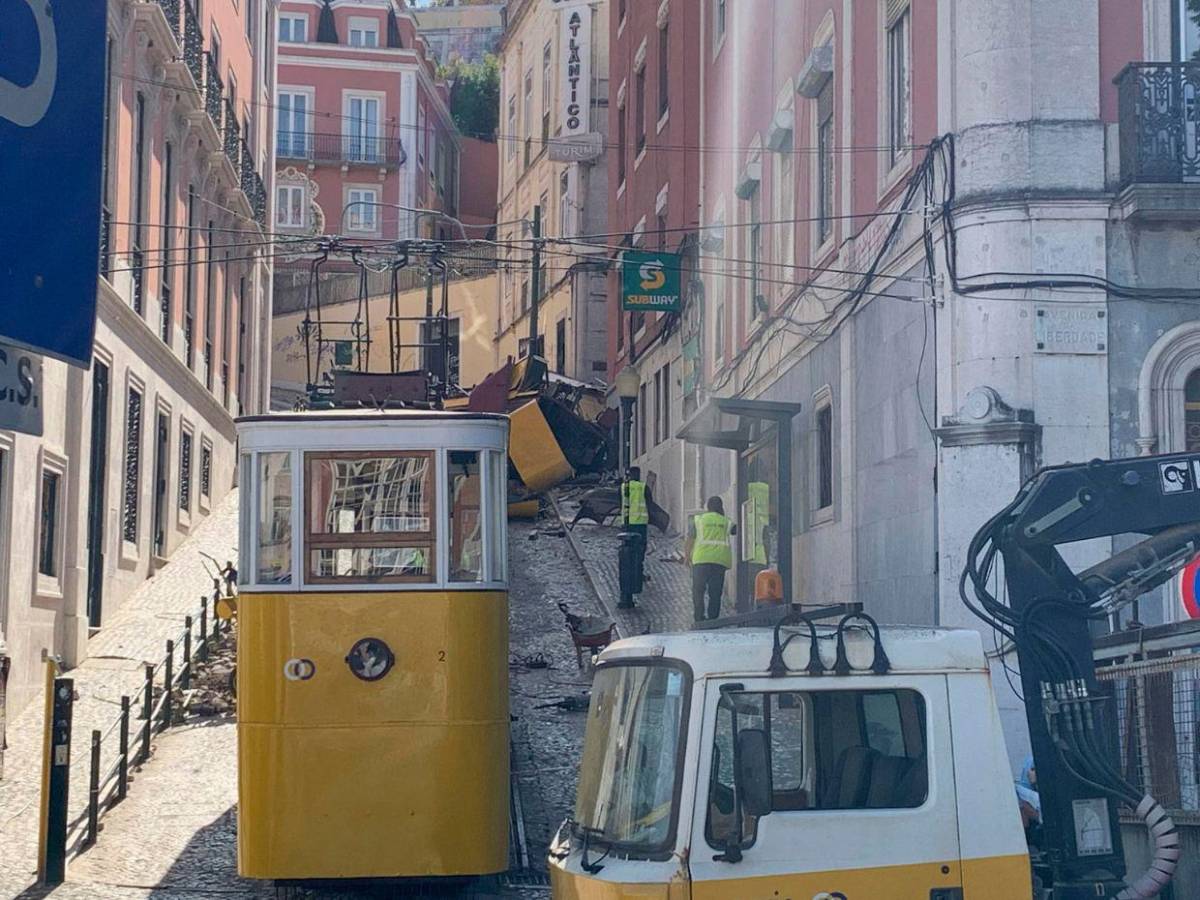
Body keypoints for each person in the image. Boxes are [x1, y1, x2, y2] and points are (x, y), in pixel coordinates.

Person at [687, 496, 735, 622]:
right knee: (715, 592)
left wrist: (687, 557)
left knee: (698, 590)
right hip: (719, 561)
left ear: (708, 507)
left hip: (700, 560)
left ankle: (699, 617)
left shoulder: (699, 520)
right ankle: (713, 618)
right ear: (721, 507)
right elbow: (735, 530)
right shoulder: (726, 522)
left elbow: (690, 539)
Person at [617, 467, 651, 607]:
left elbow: (619, 503)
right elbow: (650, 504)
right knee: (638, 553)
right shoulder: (643, 487)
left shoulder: (623, 487)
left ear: (628, 475)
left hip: (626, 526)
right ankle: (638, 573)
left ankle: (626, 594)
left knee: (627, 556)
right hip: (640, 525)